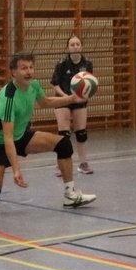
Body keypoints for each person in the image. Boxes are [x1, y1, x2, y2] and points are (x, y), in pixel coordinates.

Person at [0, 51, 96, 211]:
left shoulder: (33, 85)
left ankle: (70, 195)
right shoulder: (8, 98)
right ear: (13, 72)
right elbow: (8, 139)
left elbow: (45, 102)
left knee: (63, 144)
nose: (29, 71)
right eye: (23, 68)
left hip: (21, 135)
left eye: (31, 67)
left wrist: (71, 99)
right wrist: (16, 170)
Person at [51, 35, 94, 175]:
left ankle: (83, 163)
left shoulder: (87, 63)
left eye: (77, 44)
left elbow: (90, 84)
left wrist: (84, 96)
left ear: (81, 46)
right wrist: (66, 97)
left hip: (79, 100)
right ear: (68, 48)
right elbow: (55, 84)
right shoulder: (61, 63)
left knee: (81, 132)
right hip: (63, 98)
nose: (75, 46)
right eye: (72, 44)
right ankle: (60, 165)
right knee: (64, 134)